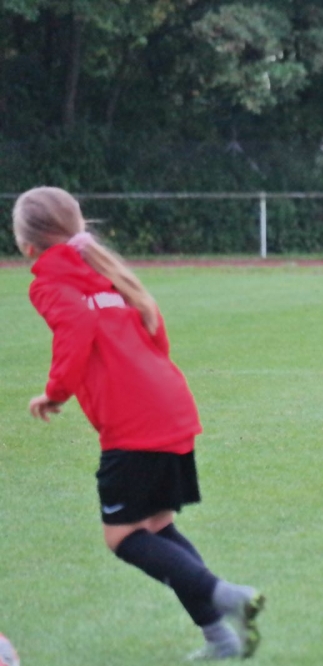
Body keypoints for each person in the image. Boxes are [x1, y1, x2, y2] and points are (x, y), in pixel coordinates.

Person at [14, 187, 264, 661]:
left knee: (123, 537)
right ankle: (220, 638)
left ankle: (227, 595)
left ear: (28, 246)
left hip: (136, 423)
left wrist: (55, 392)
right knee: (157, 527)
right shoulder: (102, 270)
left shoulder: (49, 281)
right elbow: (154, 326)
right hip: (170, 406)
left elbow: (77, 328)